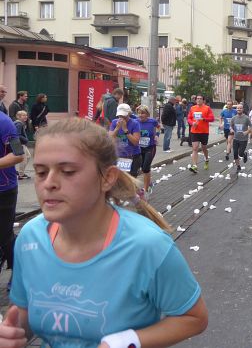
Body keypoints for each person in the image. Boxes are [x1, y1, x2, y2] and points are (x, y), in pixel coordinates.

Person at [1, 118, 208, 346]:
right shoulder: (30, 238)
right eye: (40, 173)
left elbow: (194, 317)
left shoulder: (148, 245)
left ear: (107, 178)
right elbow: (23, 311)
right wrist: (12, 334)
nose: (48, 183)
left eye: (67, 171)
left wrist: (126, 342)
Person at [0, 109, 24, 292]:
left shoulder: (4, 122)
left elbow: (18, 154)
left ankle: (20, 272)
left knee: (4, 235)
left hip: (4, 189)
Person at [109, 103, 142, 178]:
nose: (122, 118)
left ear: (129, 114)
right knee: (119, 179)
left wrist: (125, 130)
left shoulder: (135, 123)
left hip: (133, 156)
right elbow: (110, 139)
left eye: (124, 116)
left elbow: (135, 142)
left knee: (131, 180)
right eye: (120, 116)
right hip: (119, 156)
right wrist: (117, 129)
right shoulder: (114, 122)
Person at [188, 95, 215, 173]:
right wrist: (192, 123)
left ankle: (206, 159)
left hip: (204, 132)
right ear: (195, 100)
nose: (199, 100)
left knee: (204, 148)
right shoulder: (192, 108)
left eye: (200, 99)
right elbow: (189, 118)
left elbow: (212, 118)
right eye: (197, 99)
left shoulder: (207, 108)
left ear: (203, 100)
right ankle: (194, 166)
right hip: (194, 131)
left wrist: (203, 119)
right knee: (195, 148)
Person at [136, 105, 160, 193]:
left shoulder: (152, 121)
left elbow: (159, 127)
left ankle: (146, 191)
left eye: (142, 113)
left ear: (147, 114)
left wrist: (157, 136)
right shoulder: (135, 122)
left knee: (146, 167)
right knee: (143, 167)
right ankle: (149, 182)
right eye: (139, 113)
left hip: (150, 147)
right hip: (139, 148)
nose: (140, 115)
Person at [230, 104, 251, 172]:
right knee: (235, 153)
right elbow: (231, 126)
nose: (239, 109)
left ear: (243, 109)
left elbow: (251, 127)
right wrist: (232, 130)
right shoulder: (234, 118)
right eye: (238, 108)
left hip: (243, 139)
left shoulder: (246, 118)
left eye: (240, 108)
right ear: (236, 109)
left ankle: (244, 154)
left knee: (240, 153)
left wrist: (247, 132)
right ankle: (238, 166)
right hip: (236, 138)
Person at [14, 111, 31, 180]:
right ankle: (21, 174)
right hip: (20, 144)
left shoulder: (20, 123)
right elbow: (18, 134)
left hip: (21, 143)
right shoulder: (19, 124)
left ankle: (20, 172)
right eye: (23, 115)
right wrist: (25, 139)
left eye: (26, 115)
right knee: (24, 159)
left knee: (28, 156)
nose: (25, 117)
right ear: (18, 116)